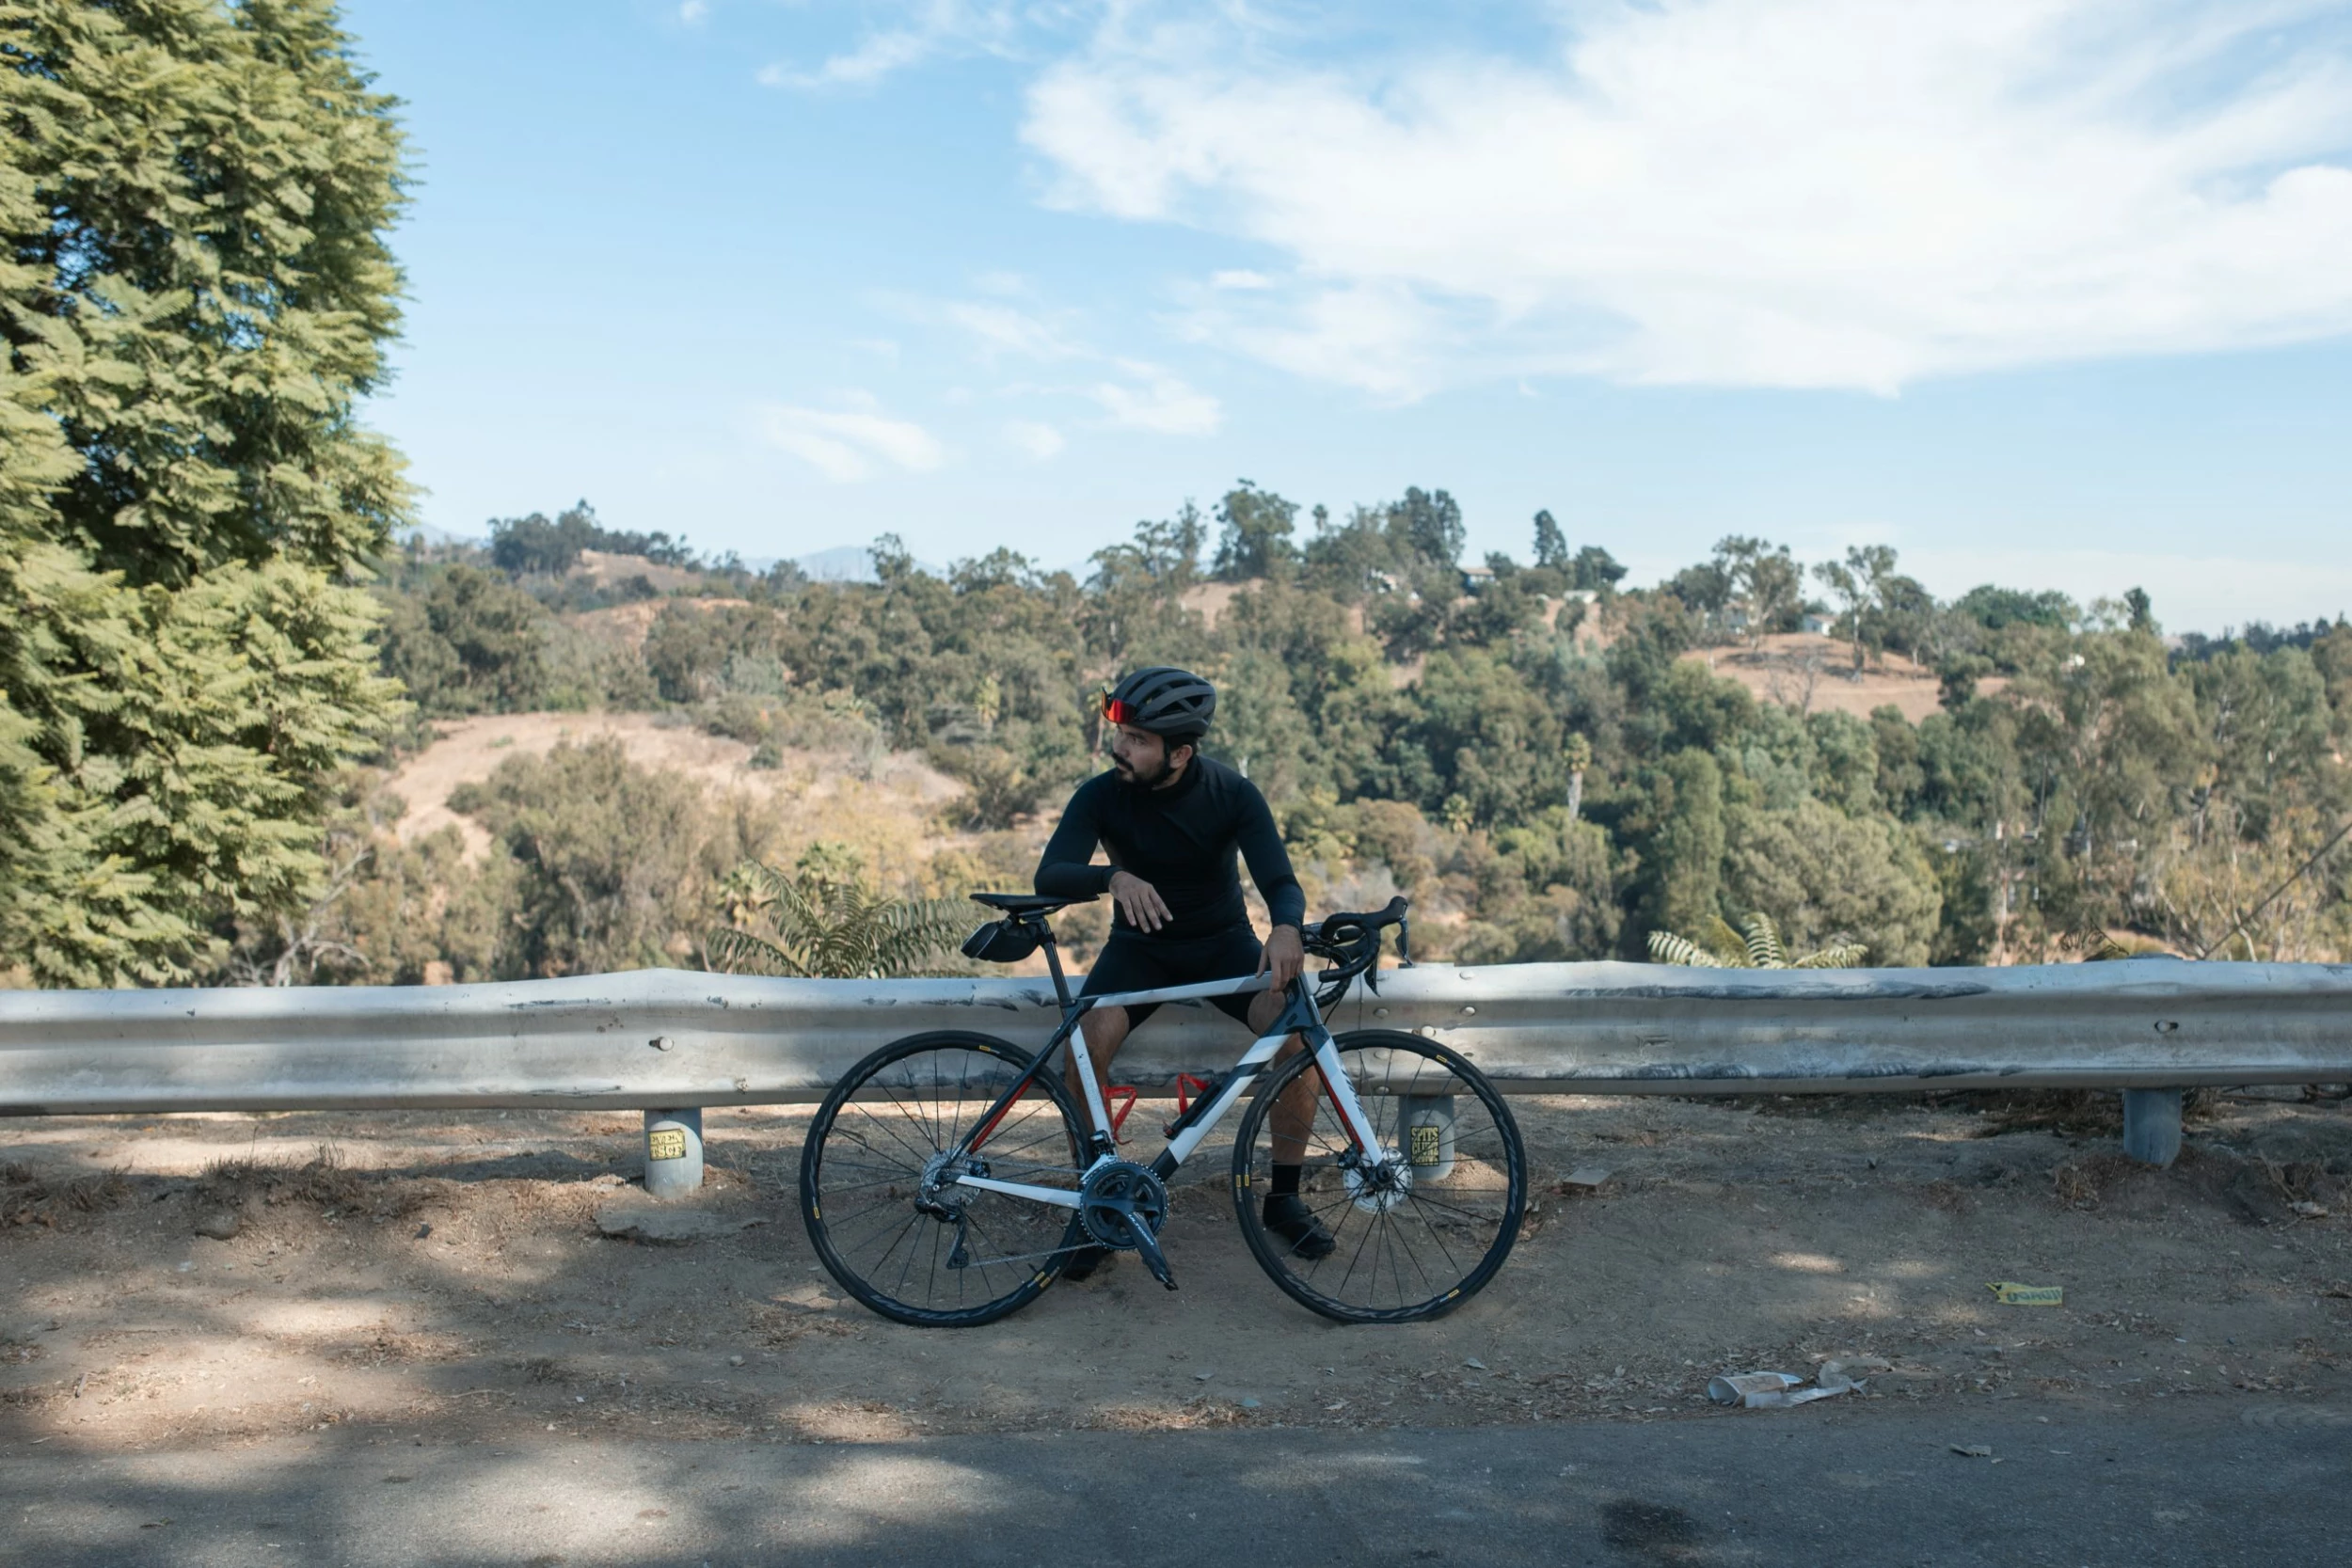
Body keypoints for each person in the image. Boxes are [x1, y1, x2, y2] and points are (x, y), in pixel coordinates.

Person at [1035, 665, 1337, 1278]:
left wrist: (1285, 924)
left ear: (1180, 753)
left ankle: (1282, 1196)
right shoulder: (1101, 793)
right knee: (1083, 1046)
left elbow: (1279, 878)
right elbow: (1051, 873)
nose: (1121, 747)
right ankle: (1100, 1198)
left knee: (1297, 1033)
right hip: (1136, 951)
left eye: (1139, 739)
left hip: (1223, 946)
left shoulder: (1232, 793)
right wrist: (1110, 877)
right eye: (1121, 732)